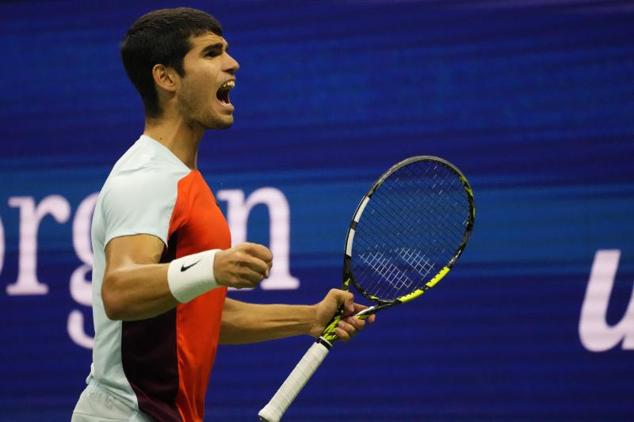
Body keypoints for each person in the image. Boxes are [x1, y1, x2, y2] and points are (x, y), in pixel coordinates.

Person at [71, 7, 373, 422]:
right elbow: (120, 290)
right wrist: (214, 265)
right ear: (167, 78)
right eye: (211, 53)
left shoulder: (183, 179)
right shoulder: (146, 177)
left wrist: (309, 318)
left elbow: (195, 315)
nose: (232, 63)